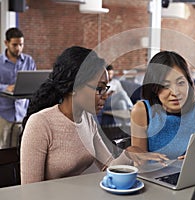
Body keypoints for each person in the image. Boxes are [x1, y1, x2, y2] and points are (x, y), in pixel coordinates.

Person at [20, 46, 167, 184]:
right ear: (74, 87)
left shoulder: (88, 119)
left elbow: (108, 166)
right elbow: (29, 191)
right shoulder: (40, 123)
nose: (105, 95)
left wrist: (129, 154)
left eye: (106, 88)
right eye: (99, 89)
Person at [0, 27, 36, 149]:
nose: (18, 48)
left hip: (22, 113)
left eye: (21, 44)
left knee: (18, 150)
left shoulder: (29, 61)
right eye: (14, 45)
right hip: (3, 114)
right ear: (6, 43)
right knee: (3, 148)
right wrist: (6, 87)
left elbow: (34, 84)